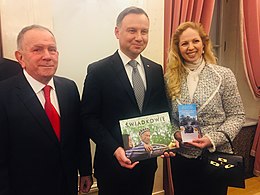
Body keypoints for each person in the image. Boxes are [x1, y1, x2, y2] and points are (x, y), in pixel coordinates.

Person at [81, 6, 170, 195]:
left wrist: (166, 141)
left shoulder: (155, 70)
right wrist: (114, 149)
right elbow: (88, 118)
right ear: (117, 32)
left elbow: (162, 112)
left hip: (146, 164)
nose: (139, 37)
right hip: (112, 166)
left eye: (144, 31)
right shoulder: (98, 71)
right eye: (132, 30)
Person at [0, 25, 93, 195]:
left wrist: (85, 170)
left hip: (67, 184)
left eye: (52, 49)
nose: (47, 56)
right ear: (20, 57)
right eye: (37, 50)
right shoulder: (4, 95)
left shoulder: (69, 88)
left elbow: (79, 135)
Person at [164, 21, 245, 195]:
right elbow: (167, 117)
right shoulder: (169, 78)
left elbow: (237, 115)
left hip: (215, 157)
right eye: (184, 43)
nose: (190, 47)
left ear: (203, 44)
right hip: (183, 159)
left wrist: (212, 139)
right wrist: (175, 133)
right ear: (178, 48)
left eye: (195, 41)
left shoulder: (224, 75)